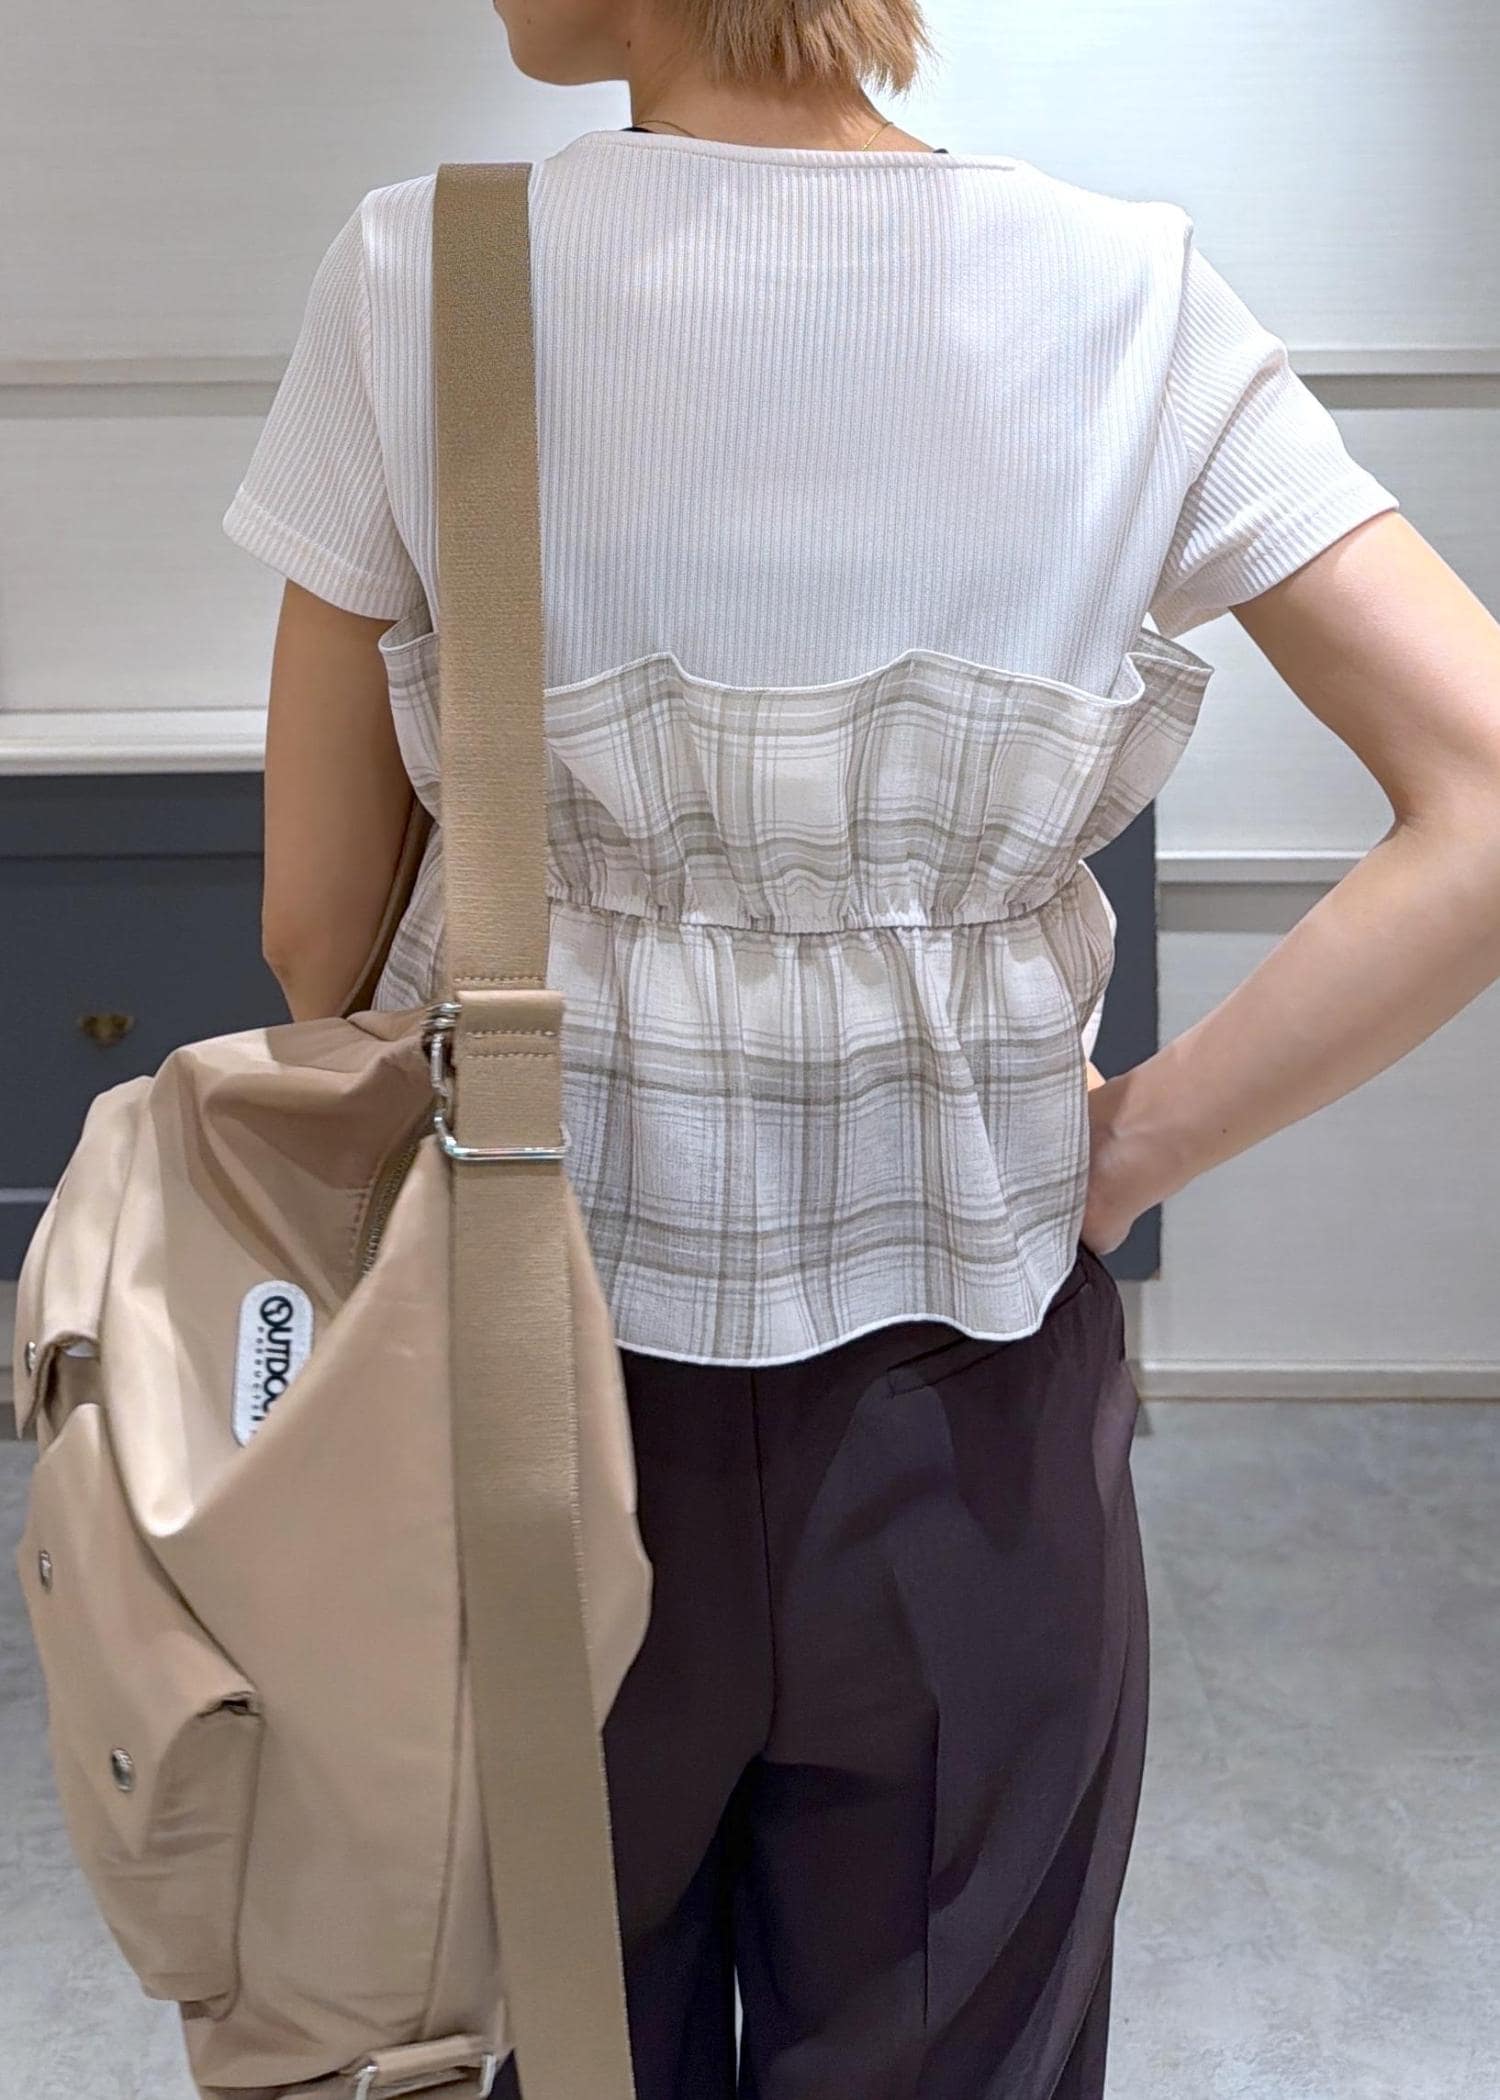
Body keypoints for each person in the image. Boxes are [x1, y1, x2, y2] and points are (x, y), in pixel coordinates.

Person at [222, 5, 1500, 2094]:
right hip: (969, 1410)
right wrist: (1128, 1148)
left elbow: (312, 927)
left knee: (543, 2041)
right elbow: (1486, 792)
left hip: (523, 1379)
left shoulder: (424, 277)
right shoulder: (1129, 291)